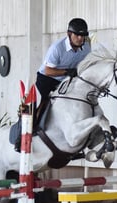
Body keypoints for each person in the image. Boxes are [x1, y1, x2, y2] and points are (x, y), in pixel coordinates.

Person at [14, 18, 91, 152]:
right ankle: (21, 137)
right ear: (69, 34)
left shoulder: (86, 48)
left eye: (83, 35)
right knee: (34, 104)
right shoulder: (57, 48)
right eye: (77, 35)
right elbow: (49, 70)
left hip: (68, 79)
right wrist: (67, 71)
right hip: (47, 78)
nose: (80, 38)